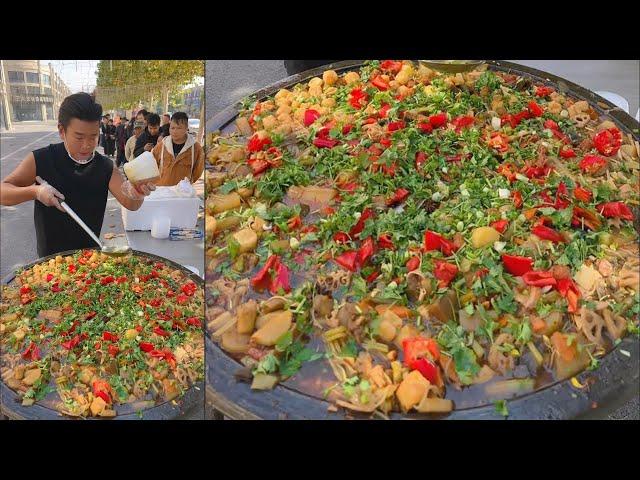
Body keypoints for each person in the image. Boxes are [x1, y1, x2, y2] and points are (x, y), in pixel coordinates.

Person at [0, 92, 156, 257]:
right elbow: (4, 192)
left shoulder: (105, 166)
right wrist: (35, 192)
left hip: (89, 258)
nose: (87, 146)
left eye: (94, 137)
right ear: (62, 131)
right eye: (79, 137)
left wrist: (138, 192)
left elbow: (131, 204)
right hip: (50, 262)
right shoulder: (42, 159)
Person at [151, 111, 204, 186]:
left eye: (179, 128)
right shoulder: (162, 146)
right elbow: (152, 166)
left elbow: (198, 171)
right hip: (162, 190)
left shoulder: (196, 148)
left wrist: (187, 183)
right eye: (172, 128)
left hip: (183, 193)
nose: (175, 131)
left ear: (186, 128)